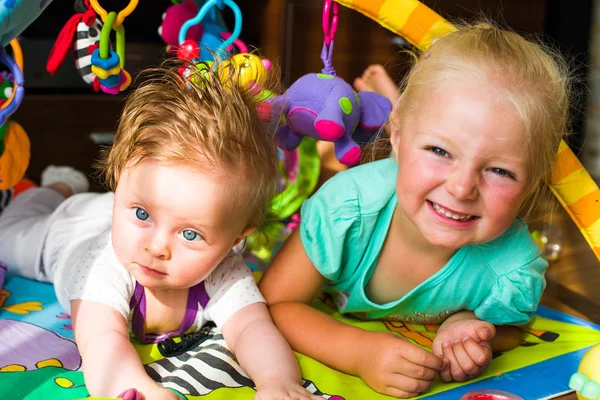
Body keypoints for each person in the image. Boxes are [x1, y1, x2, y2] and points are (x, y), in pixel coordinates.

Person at [259, 22, 570, 398]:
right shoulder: (349, 208)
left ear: (533, 180)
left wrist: (469, 328)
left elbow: (511, 329)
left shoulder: (512, 266)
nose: (461, 187)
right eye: (440, 151)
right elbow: (275, 303)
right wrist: (358, 353)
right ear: (399, 134)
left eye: (499, 171)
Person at [0, 61, 321, 400]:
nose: (156, 248)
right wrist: (142, 391)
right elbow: (101, 342)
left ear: (236, 238)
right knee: (6, 233)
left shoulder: (224, 268)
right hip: (66, 234)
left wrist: (278, 381)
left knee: (154, 212)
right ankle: (59, 186)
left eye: (190, 234)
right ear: (119, 177)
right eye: (142, 213)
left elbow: (253, 328)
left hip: (121, 215)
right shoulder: (99, 270)